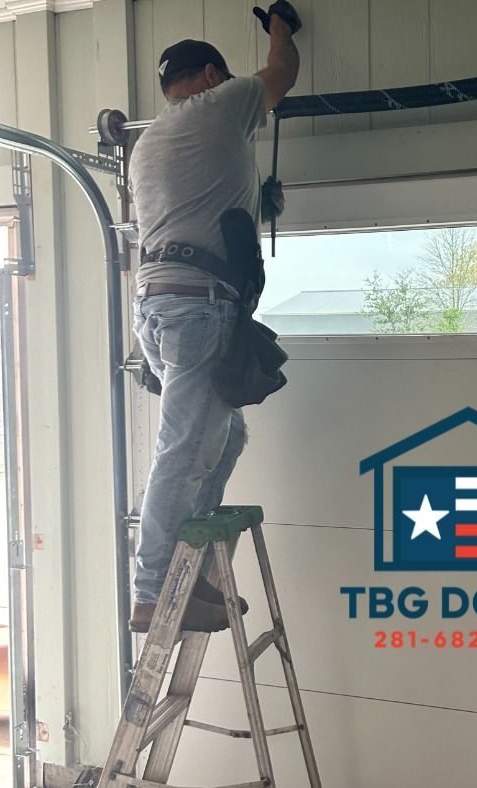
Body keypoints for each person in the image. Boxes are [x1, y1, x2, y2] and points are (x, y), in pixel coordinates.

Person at [127, 2, 302, 633]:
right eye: (224, 79)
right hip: (194, 309)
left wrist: (255, 199)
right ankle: (151, 590)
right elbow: (282, 73)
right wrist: (282, 25)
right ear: (207, 78)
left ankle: (191, 572)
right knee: (182, 447)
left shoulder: (148, 145)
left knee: (223, 436)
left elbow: (196, 209)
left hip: (159, 307)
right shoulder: (219, 106)